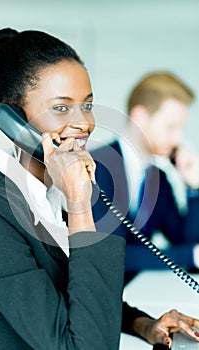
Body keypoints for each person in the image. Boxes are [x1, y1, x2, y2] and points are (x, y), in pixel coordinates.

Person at [0, 28, 199, 350]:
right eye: (61, 108)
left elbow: (68, 293)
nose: (85, 123)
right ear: (13, 121)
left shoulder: (50, 192)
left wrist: (144, 324)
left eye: (87, 105)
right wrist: (79, 204)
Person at [91, 71, 199, 283]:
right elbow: (111, 255)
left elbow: (185, 241)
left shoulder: (159, 180)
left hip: (128, 300)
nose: (178, 138)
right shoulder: (96, 167)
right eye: (171, 127)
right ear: (140, 116)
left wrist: (194, 188)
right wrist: (192, 255)